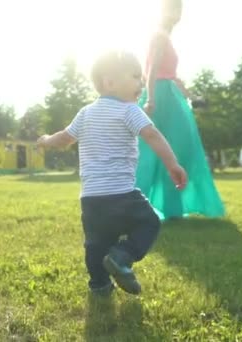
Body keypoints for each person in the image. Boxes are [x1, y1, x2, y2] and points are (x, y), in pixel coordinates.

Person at [37, 51, 187, 296]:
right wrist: (173, 165)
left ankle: (99, 286)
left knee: (96, 244)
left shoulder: (85, 113)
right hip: (122, 195)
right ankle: (122, 256)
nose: (141, 83)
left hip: (91, 199)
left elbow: (64, 138)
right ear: (109, 82)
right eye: (136, 76)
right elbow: (152, 135)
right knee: (149, 221)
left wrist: (45, 140)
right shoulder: (130, 110)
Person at [136, 0, 225, 220]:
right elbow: (152, 71)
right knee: (150, 153)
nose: (177, 14)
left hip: (171, 97)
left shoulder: (166, 39)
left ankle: (171, 208)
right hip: (160, 97)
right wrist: (151, 101)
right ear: (163, 11)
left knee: (179, 150)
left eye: (180, 9)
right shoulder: (158, 36)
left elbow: (173, 76)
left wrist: (192, 97)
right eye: (173, 8)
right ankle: (136, 208)